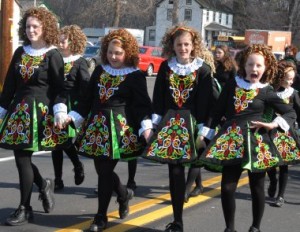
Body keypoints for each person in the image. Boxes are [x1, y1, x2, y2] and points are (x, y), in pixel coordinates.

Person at [61, 28, 153, 232]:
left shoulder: (135, 75)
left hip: (119, 130)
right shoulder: (100, 70)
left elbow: (142, 105)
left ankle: (100, 217)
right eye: (110, 52)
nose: (113, 57)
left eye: (118, 53)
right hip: (96, 127)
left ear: (127, 53)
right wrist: (73, 116)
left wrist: (146, 127)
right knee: (102, 170)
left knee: (104, 173)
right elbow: (87, 99)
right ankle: (123, 194)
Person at [200, 44, 299, 232]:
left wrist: (273, 124)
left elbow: (290, 112)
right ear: (244, 65)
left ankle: (255, 227)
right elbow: (217, 110)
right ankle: (230, 228)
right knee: (228, 187)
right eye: (250, 65)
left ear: (266, 67)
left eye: (259, 66)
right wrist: (206, 133)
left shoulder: (267, 90)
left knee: (257, 188)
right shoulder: (232, 85)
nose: (254, 69)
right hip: (231, 141)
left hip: (256, 143)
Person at [143, 25, 217, 232]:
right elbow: (158, 99)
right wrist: (153, 126)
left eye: (186, 44)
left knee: (185, 169)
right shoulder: (166, 67)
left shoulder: (203, 70)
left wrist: (204, 132)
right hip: (170, 126)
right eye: (179, 44)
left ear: (193, 46)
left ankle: (179, 216)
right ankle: (177, 221)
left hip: (193, 126)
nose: (183, 48)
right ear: (172, 46)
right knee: (174, 173)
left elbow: (206, 104)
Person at [0, 7, 66, 226]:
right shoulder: (21, 52)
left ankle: (25, 207)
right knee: (22, 158)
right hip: (19, 111)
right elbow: (9, 85)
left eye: (35, 26)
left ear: (45, 27)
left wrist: (59, 109)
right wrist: (1, 109)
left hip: (40, 114)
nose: (31, 30)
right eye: (28, 26)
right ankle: (42, 185)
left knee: (22, 158)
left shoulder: (53, 54)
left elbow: (60, 88)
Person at [51, 25, 90, 191]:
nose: (60, 44)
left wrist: (79, 109)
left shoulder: (79, 61)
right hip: (54, 104)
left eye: (63, 41)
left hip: (71, 106)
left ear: (73, 41)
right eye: (58, 40)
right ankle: (58, 179)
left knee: (65, 141)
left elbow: (86, 88)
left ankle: (77, 165)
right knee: (55, 143)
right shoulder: (53, 58)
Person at [266, 60, 300, 207]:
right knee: (270, 163)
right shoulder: (270, 92)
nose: (291, 82)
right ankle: (273, 181)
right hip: (270, 131)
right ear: (280, 77)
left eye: (293, 79)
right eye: (288, 79)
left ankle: (281, 195)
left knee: (284, 165)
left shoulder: (293, 94)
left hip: (286, 133)